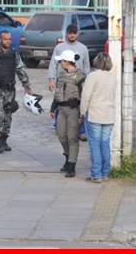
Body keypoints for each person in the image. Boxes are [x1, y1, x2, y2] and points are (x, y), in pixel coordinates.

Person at [0, 30, 33, 154]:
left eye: (9, 39)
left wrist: (27, 86)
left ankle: (5, 139)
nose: (7, 41)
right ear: (0, 40)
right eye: (5, 39)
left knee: (7, 115)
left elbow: (20, 70)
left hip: (9, 89)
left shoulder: (14, 54)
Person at [48, 24, 91, 141]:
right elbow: (53, 64)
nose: (72, 35)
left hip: (78, 81)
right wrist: (51, 79)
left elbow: (87, 65)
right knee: (60, 101)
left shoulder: (83, 48)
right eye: (70, 33)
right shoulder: (59, 47)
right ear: (66, 34)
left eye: (74, 33)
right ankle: (59, 126)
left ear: (77, 34)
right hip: (62, 80)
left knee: (78, 104)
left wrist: (86, 81)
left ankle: (81, 131)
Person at [80, 53, 117, 183]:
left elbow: (86, 96)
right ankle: (105, 173)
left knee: (94, 145)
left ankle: (96, 174)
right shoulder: (113, 78)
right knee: (105, 144)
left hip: (95, 114)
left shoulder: (92, 76)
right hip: (109, 114)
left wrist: (82, 111)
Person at [49, 49, 86, 178]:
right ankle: (67, 156)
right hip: (61, 109)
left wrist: (82, 115)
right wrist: (52, 109)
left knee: (72, 137)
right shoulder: (61, 75)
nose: (59, 63)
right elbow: (57, 93)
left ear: (67, 62)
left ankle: (71, 164)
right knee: (61, 135)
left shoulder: (80, 76)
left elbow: (84, 96)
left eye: (61, 61)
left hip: (73, 110)